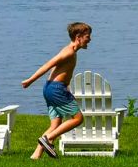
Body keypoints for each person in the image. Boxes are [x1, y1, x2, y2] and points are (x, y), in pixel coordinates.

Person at [21, 22, 90, 159]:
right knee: (78, 118)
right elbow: (48, 65)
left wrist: (67, 89)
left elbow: (60, 72)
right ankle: (48, 139)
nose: (90, 39)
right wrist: (30, 81)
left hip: (51, 88)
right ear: (78, 36)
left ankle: (35, 156)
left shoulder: (71, 51)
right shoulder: (69, 52)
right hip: (56, 89)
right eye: (87, 36)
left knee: (56, 123)